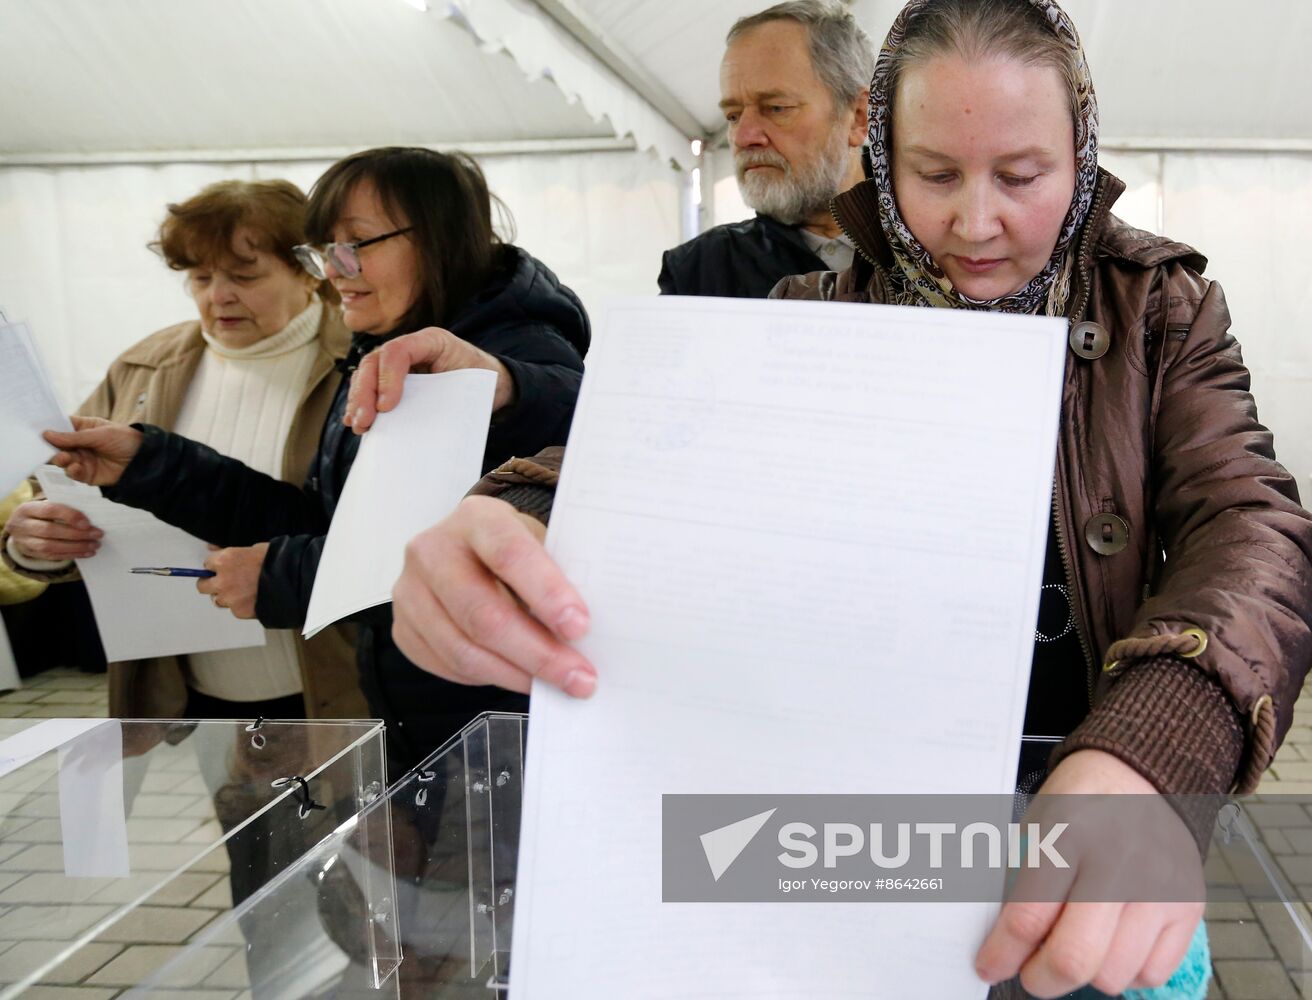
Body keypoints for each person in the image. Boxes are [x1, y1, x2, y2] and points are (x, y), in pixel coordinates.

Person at [347, 1, 1312, 996]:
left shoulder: (1157, 305)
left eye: (1020, 176)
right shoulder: (809, 315)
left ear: (1082, 157)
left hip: (1084, 813)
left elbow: (1247, 521)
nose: (974, 222)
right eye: (935, 173)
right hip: (848, 828)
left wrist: (1160, 742)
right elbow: (651, 453)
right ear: (881, 153)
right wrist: (510, 520)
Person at [40, 147, 590, 774]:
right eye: (322, 250)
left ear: (442, 239)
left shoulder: (498, 353)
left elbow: (438, 558)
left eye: (355, 244)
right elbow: (324, 520)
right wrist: (146, 463)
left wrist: (278, 577)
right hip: (415, 712)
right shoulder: (378, 346)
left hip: (489, 733)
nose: (335, 271)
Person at [2, 179, 364, 721]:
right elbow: (71, 507)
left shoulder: (363, 368)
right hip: (193, 693)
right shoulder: (143, 368)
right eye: (199, 277)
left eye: (245, 275)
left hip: (337, 685)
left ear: (309, 273)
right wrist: (35, 544)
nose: (217, 295)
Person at [657, 0, 873, 297]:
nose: (743, 136)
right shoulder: (699, 273)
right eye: (732, 116)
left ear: (858, 117)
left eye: (776, 108)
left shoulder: (941, 250)